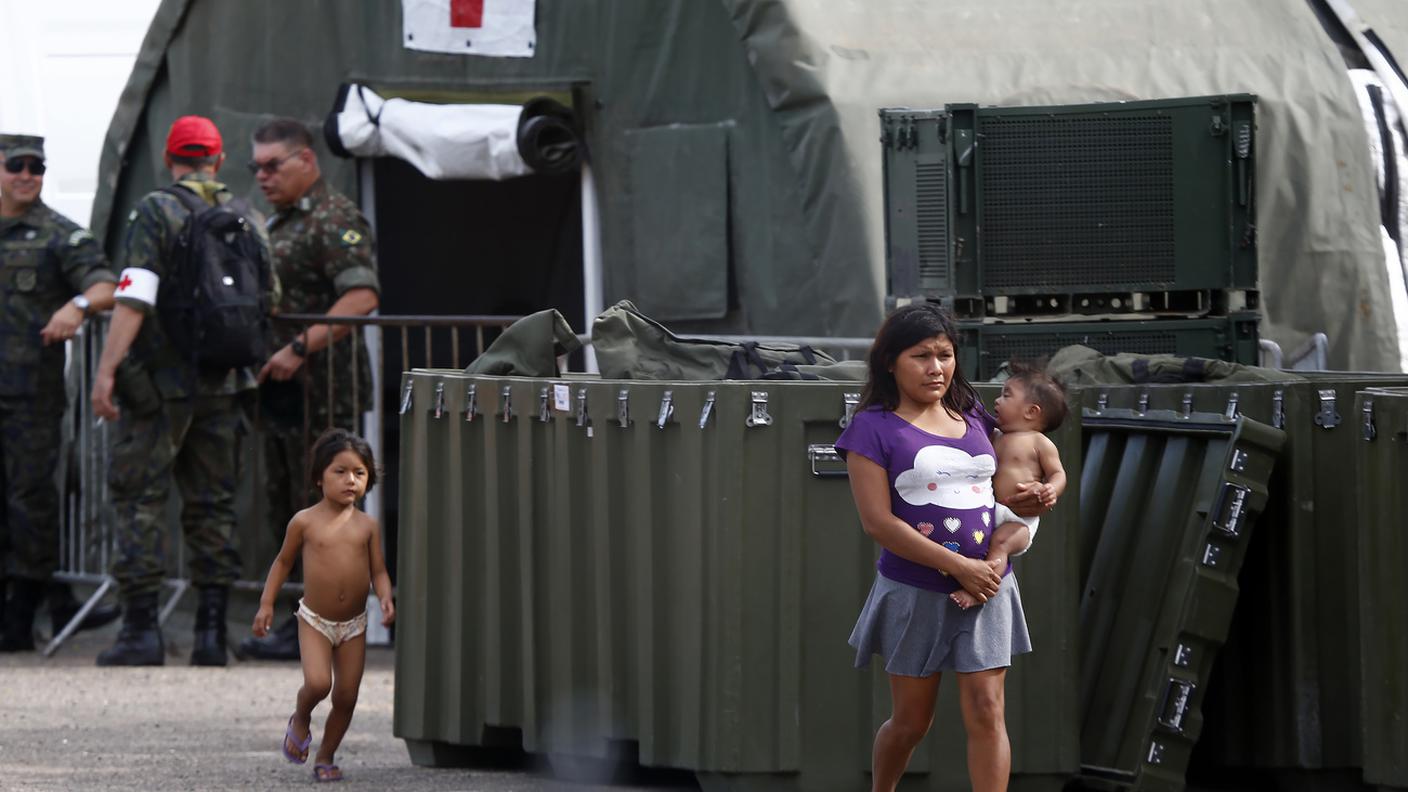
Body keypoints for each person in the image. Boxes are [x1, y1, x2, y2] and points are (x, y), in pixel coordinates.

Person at [834, 304, 1057, 792]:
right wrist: (959, 567)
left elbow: (1012, 475)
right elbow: (878, 523)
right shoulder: (870, 429)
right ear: (890, 361)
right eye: (921, 356)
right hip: (915, 591)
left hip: (988, 588)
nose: (936, 368)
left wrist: (1036, 492)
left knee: (987, 711)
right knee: (911, 722)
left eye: (945, 355)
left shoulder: (975, 411)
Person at [90, 116, 275, 667]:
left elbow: (136, 294)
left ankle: (141, 633)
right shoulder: (251, 216)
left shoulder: (155, 210)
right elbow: (271, 298)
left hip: (159, 388)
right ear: (217, 162)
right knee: (214, 507)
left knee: (141, 502)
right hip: (228, 384)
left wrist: (106, 369)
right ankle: (211, 636)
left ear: (170, 160)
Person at [239, 117, 381, 662]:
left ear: (307, 161)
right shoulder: (279, 220)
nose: (263, 176)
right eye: (256, 167)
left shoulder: (333, 218)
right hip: (286, 396)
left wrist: (299, 346)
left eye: (274, 165)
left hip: (325, 393)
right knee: (293, 512)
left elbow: (361, 298)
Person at [0, 133, 122, 651]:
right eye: (16, 165)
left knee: (29, 500)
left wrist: (76, 306)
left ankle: (22, 616)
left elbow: (106, 284)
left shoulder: (58, 234)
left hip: (28, 396)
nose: (28, 174)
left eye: (38, 167)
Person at [252, 428, 394, 783]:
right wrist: (266, 603)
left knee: (346, 696)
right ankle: (300, 718)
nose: (350, 480)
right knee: (317, 684)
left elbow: (378, 569)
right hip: (315, 620)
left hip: (354, 624)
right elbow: (283, 562)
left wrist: (386, 597)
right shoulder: (304, 521)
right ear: (319, 477)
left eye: (359, 473)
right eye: (340, 471)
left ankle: (326, 755)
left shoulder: (368, 526)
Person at [950, 363, 1068, 611]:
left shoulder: (1040, 442)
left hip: (1019, 521)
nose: (998, 400)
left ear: (1031, 411)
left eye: (1007, 395)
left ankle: (981, 591)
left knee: (1000, 545)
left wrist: (1051, 490)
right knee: (980, 546)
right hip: (992, 511)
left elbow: (1058, 474)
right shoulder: (995, 436)